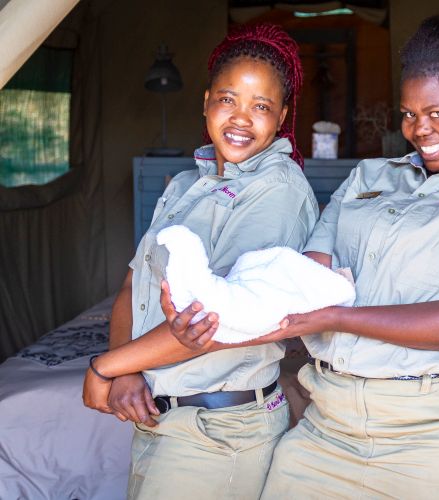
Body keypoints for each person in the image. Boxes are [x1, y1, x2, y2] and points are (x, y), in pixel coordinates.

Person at [169, 14, 439, 499]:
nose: (420, 130)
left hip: (433, 437)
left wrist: (338, 316)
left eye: (437, 114)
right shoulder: (370, 176)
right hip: (327, 426)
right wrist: (217, 318)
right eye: (409, 114)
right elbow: (301, 282)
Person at [81, 23, 318, 499]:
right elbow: (133, 285)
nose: (241, 118)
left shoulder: (278, 189)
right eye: (229, 99)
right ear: (206, 100)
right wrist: (126, 371)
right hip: (159, 417)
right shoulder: (185, 184)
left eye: (261, 106)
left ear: (282, 116)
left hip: (219, 431)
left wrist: (105, 366)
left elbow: (216, 320)